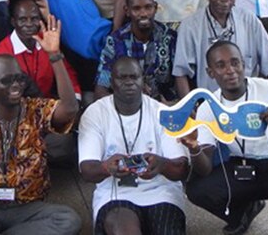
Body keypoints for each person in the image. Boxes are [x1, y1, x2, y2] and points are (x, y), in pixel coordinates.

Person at [0, 18, 82, 235]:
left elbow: (69, 109)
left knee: (68, 219)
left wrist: (55, 57)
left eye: (19, 79)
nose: (16, 85)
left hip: (28, 207)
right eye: (7, 80)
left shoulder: (35, 108)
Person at [183, 41, 268, 235]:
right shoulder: (208, 106)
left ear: (243, 65)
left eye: (235, 63)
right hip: (242, 164)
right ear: (210, 72)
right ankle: (243, 212)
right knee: (197, 190)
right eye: (221, 65)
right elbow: (204, 168)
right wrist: (193, 147)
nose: (230, 70)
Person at [79, 57, 189, 235]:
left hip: (161, 191)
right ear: (112, 82)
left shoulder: (162, 112)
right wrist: (106, 168)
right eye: (122, 78)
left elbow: (181, 169)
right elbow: (87, 170)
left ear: (142, 80)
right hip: (116, 193)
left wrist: (162, 165)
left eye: (134, 77)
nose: (129, 82)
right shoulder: (95, 113)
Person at [94, 0, 178, 102]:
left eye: (148, 7)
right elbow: (101, 89)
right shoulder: (115, 41)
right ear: (127, 11)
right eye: (137, 9)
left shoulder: (170, 38)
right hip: (126, 108)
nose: (143, 14)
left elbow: (181, 80)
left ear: (155, 7)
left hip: (164, 107)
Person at [0, 0, 82, 99]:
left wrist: (76, 98)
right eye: (23, 20)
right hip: (16, 108)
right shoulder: (1, 54)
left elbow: (67, 73)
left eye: (34, 19)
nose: (29, 24)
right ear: (13, 22)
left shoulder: (48, 41)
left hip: (48, 104)